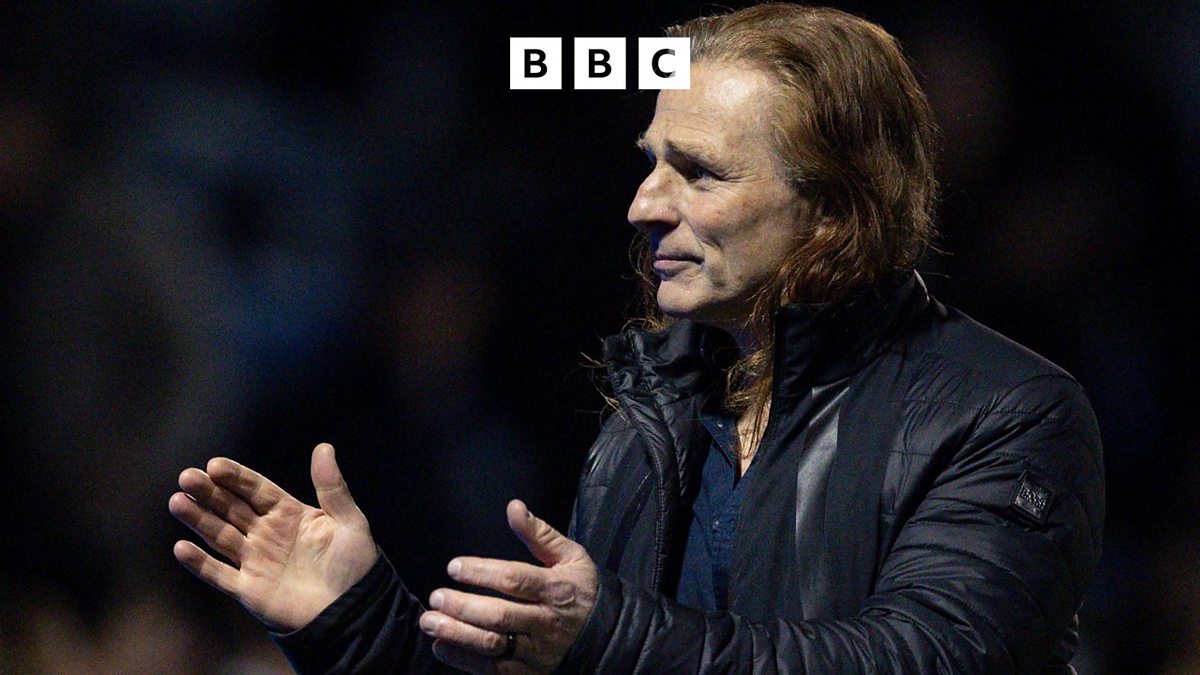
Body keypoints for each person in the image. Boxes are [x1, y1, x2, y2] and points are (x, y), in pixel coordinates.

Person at [169, 4, 1104, 673]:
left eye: (699, 172)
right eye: (652, 163)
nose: (644, 204)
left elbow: (928, 656)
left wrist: (610, 634)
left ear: (832, 207)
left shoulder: (1008, 412)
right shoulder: (652, 417)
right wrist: (358, 623)